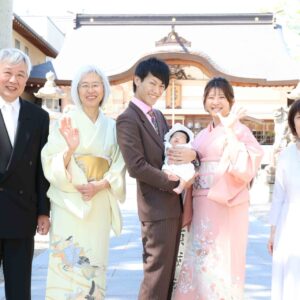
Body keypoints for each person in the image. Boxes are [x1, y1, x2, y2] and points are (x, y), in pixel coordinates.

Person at [173, 77, 263, 299]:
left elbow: (247, 165)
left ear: (230, 101)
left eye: (221, 97)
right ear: (204, 102)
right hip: (202, 203)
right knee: (201, 258)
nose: (216, 102)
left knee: (225, 258)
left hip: (228, 204)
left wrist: (231, 131)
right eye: (211, 97)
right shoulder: (201, 135)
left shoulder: (240, 129)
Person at [41, 65, 126, 299]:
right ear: (77, 91)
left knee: (95, 258)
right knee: (68, 256)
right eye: (85, 85)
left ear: (104, 89)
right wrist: (70, 150)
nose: (90, 90)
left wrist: (100, 184)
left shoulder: (112, 126)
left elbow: (120, 163)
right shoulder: (66, 120)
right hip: (70, 199)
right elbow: (49, 159)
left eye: (95, 85)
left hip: (98, 200)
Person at [116, 57, 196, 300]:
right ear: (137, 80)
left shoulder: (158, 116)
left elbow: (174, 147)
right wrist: (174, 183)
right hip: (156, 208)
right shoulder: (127, 119)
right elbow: (136, 166)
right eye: (152, 83)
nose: (157, 90)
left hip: (172, 207)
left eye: (162, 86)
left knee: (169, 275)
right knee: (156, 277)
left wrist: (191, 156)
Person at [0, 48, 50, 300]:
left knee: (19, 289)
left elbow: (42, 170)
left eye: (20, 75)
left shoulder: (39, 117)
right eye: (7, 73)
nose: (13, 80)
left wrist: (44, 211)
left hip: (22, 212)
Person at [267, 99, 300, 300]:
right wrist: (273, 232)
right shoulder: (286, 155)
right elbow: (278, 196)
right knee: (290, 277)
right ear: (293, 122)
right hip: (289, 225)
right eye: (299, 117)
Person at [162, 123, 195, 194]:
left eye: (181, 137)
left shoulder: (187, 147)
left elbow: (192, 154)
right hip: (170, 166)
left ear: (186, 142)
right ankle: (170, 178)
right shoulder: (167, 145)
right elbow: (166, 152)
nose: (177, 138)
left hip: (183, 167)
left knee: (186, 175)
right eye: (174, 136)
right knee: (164, 169)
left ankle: (180, 187)